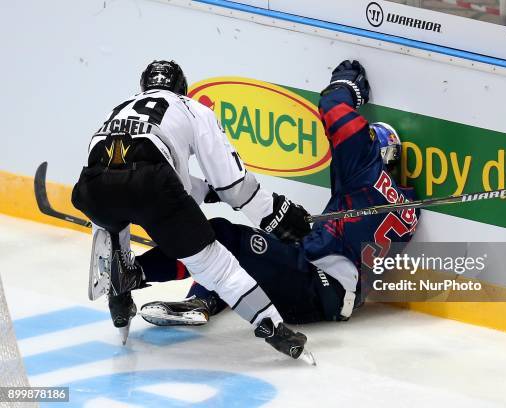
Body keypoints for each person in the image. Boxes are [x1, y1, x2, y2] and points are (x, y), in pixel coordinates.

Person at [134, 60, 420, 326]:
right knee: (248, 254)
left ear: (375, 151)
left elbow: (340, 117)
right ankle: (202, 300)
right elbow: (354, 236)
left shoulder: (365, 174)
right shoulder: (408, 207)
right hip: (332, 293)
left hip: (319, 285)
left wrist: (344, 83)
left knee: (221, 235)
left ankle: (135, 273)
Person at [71, 60, 312, 360]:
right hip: (153, 188)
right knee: (219, 268)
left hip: (93, 189)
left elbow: (112, 171)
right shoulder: (192, 108)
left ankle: (119, 294)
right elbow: (233, 185)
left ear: (144, 87)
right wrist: (274, 215)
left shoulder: (118, 108)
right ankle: (275, 330)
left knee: (115, 247)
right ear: (182, 89)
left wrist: (206, 192)